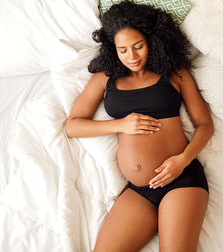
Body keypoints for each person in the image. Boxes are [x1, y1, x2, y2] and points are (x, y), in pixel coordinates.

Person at [65, 1, 213, 251]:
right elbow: (73, 126)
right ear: (114, 49)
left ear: (152, 41)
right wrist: (121, 125)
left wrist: (183, 159)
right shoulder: (104, 78)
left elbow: (205, 124)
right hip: (140, 191)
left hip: (181, 179)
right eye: (123, 50)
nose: (131, 57)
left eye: (138, 46)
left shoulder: (175, 73)